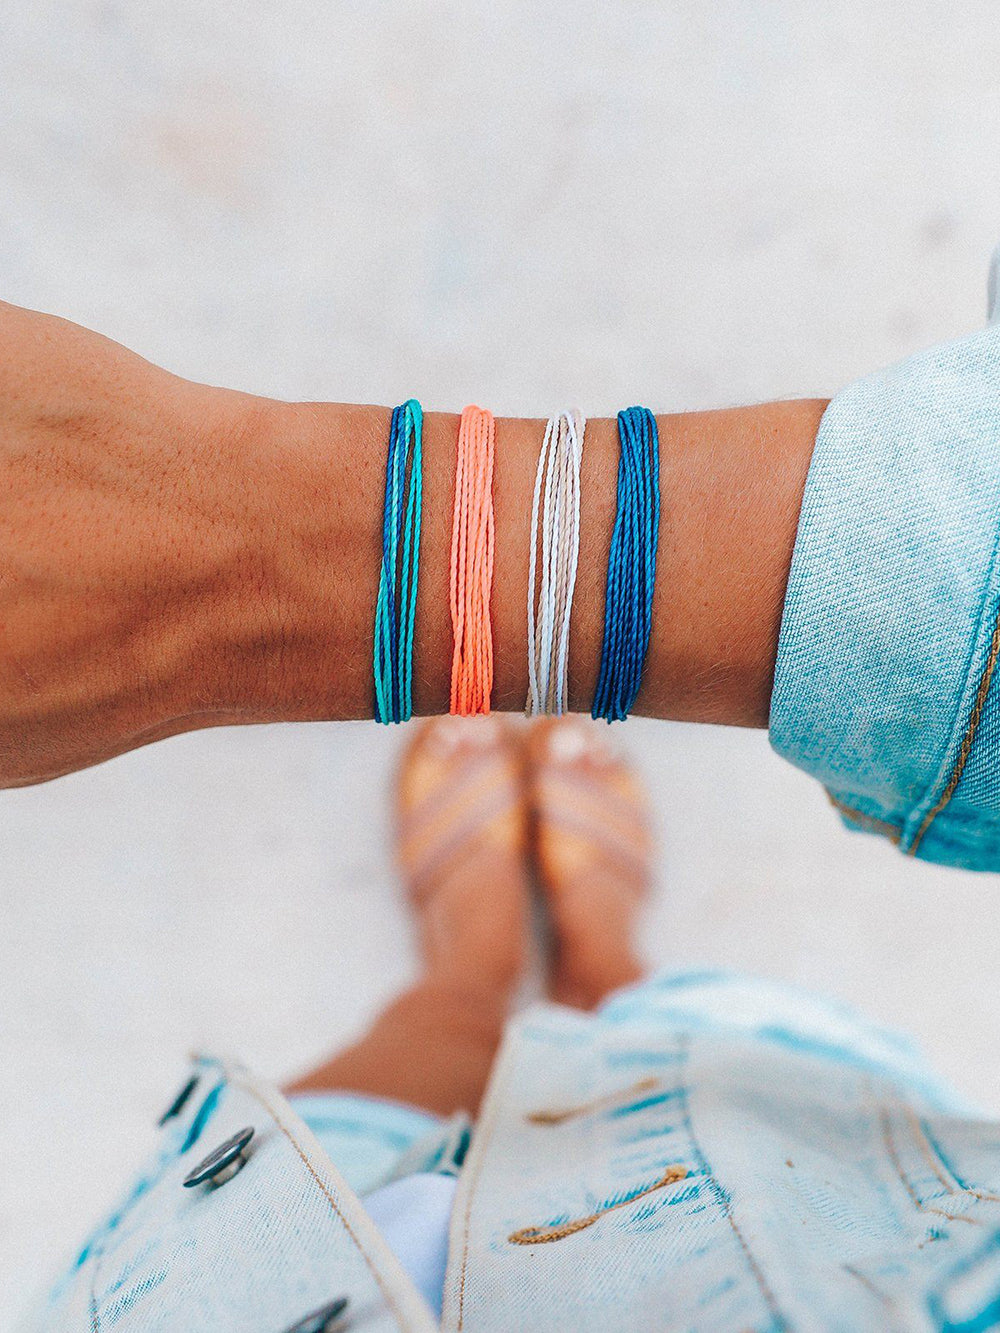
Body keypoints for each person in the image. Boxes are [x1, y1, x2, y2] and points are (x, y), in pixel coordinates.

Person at [10, 250, 1000, 1329]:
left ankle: (475, 963)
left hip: (283, 1280)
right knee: (680, 1048)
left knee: (418, 1053)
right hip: (843, 1218)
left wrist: (290, 546)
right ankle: (598, 961)